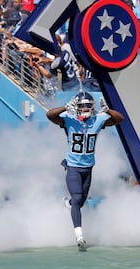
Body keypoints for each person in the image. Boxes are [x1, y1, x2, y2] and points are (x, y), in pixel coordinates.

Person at [46, 92, 124, 250]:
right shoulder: (69, 119)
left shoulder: (98, 119)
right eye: (82, 105)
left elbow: (120, 119)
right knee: (77, 198)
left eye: (88, 105)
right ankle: (79, 236)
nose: (85, 108)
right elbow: (50, 115)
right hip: (73, 166)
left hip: (88, 168)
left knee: (80, 201)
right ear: (76, 107)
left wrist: (107, 110)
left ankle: (68, 204)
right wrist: (64, 107)